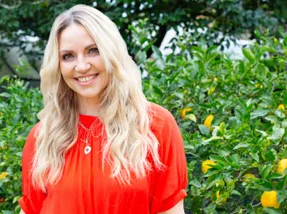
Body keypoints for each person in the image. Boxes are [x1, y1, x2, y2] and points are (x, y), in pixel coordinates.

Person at [19, 4, 188, 214]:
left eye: (93, 51)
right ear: (58, 65)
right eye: (68, 56)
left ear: (111, 53)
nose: (81, 66)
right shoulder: (42, 136)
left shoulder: (155, 125)